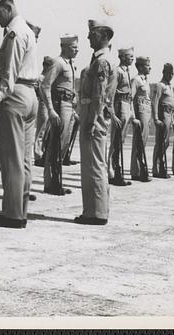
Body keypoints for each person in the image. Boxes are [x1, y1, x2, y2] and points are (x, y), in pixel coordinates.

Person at [0, 0, 39, 229]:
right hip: (30, 95)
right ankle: (19, 210)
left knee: (11, 159)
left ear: (8, 7)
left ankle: (12, 214)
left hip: (15, 97)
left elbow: (9, 75)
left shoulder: (14, 33)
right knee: (24, 160)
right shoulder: (26, 31)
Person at [74, 19, 116, 226]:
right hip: (95, 116)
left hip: (94, 118)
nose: (88, 37)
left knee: (95, 165)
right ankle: (93, 210)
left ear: (103, 36)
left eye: (92, 34)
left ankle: (97, 213)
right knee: (92, 164)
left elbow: (99, 96)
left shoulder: (101, 62)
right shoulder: (100, 60)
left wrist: (91, 121)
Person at [40, 35, 79, 196]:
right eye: (74, 47)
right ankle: (50, 183)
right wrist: (50, 109)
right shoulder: (58, 63)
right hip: (60, 105)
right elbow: (45, 86)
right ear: (64, 47)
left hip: (68, 105)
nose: (77, 50)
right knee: (55, 144)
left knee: (63, 144)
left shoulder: (69, 64)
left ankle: (57, 181)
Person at [109, 46, 135, 186]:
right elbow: (111, 94)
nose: (132, 58)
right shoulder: (117, 71)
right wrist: (113, 115)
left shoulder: (127, 72)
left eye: (132, 56)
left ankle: (116, 171)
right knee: (115, 141)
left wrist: (131, 112)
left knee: (121, 140)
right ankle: (112, 172)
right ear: (122, 57)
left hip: (126, 104)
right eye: (129, 56)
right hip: (119, 105)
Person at [129, 56, 152, 182]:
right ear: (141, 67)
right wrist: (133, 116)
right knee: (138, 142)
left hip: (146, 112)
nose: (150, 68)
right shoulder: (136, 80)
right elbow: (130, 98)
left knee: (143, 142)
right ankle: (136, 171)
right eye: (147, 65)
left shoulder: (146, 81)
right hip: (140, 113)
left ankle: (139, 169)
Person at [150, 63, 174, 179]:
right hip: (163, 113)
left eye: (172, 73)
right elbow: (155, 102)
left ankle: (161, 167)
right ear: (163, 72)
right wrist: (155, 117)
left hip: (169, 114)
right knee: (160, 142)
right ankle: (157, 169)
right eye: (168, 73)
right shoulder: (160, 86)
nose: (170, 75)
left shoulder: (170, 87)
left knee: (166, 142)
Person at [33, 56, 54, 167]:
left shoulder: (48, 77)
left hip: (47, 103)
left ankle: (41, 153)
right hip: (43, 103)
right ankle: (38, 155)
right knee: (41, 130)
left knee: (46, 130)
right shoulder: (41, 78)